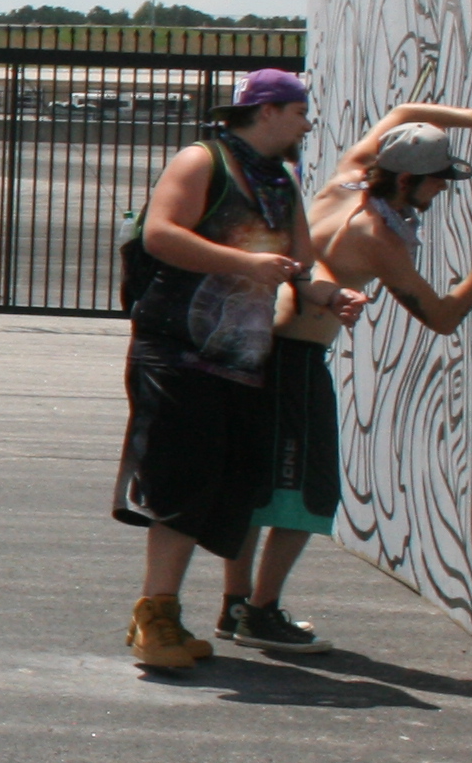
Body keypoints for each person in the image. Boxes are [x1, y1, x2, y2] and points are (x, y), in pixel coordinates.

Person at [217, 88, 472, 647]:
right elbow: (442, 316)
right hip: (295, 364)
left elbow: (403, 114)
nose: (441, 191)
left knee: (254, 483)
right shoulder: (378, 237)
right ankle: (260, 613)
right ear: (406, 180)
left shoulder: (351, 175)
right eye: (436, 182)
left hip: (259, 348)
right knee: (307, 492)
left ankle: (236, 604)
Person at [114, 68, 359, 670]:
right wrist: (245, 263)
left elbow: (298, 269)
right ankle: (154, 617)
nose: (307, 124)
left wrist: (329, 295)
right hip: (177, 350)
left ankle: (174, 615)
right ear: (268, 111)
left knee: (221, 489)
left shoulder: (279, 181)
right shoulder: (204, 161)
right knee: (178, 487)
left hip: (242, 361)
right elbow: (160, 234)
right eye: (299, 112)